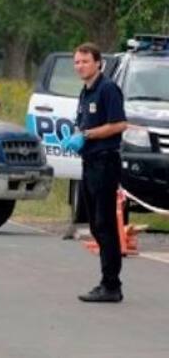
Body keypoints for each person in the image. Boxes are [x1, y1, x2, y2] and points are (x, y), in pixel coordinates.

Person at [61, 42, 127, 303]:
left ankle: (111, 285)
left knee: (104, 223)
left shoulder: (107, 89)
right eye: (77, 62)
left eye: (85, 61)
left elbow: (119, 123)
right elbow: (83, 123)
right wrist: (77, 135)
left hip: (105, 161)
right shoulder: (85, 92)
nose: (80, 66)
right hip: (89, 161)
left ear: (98, 63)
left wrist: (87, 135)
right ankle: (107, 280)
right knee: (95, 225)